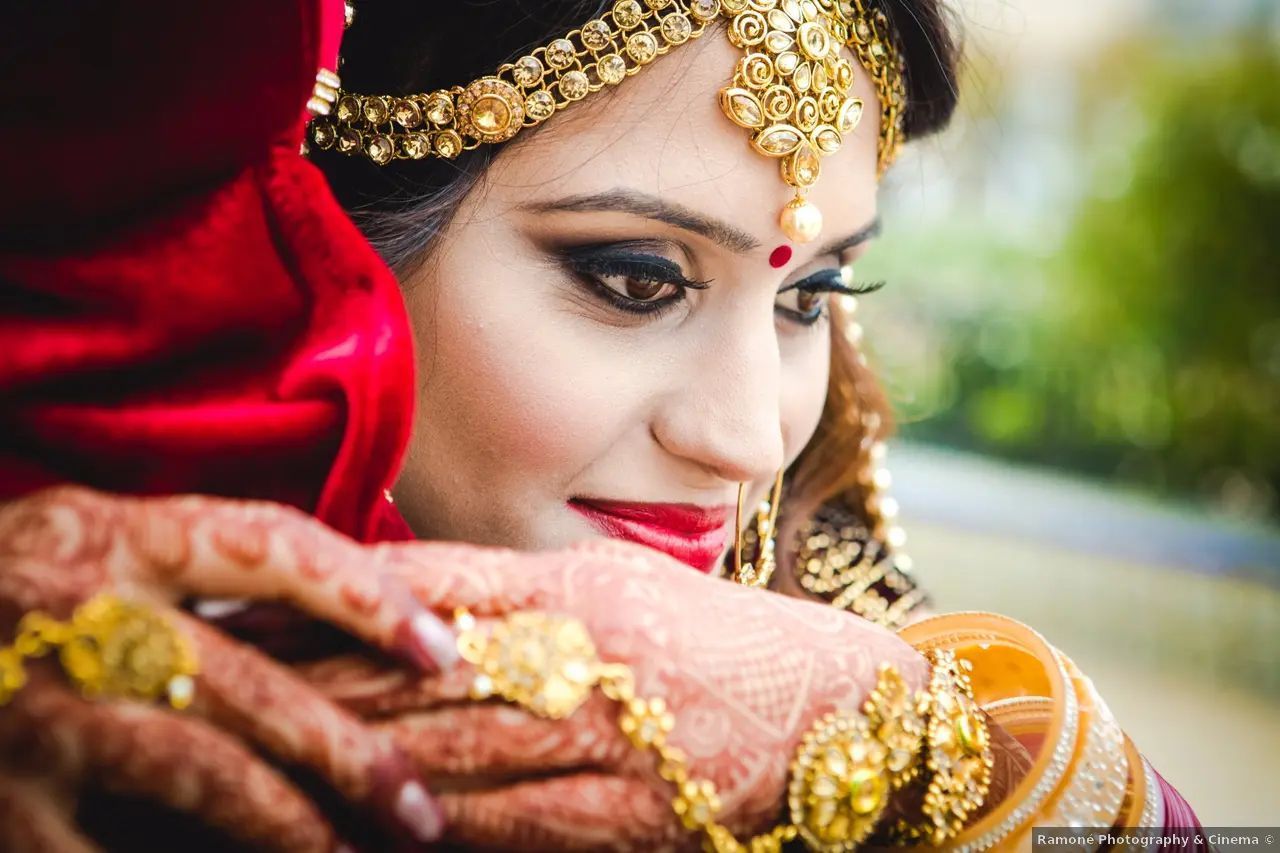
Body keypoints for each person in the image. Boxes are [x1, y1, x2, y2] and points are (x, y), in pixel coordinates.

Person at [0, 0, 1205, 849]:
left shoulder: (838, 654)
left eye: (808, 296)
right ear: (337, 251)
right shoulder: (78, 694)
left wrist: (910, 749)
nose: (744, 441)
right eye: (636, 280)